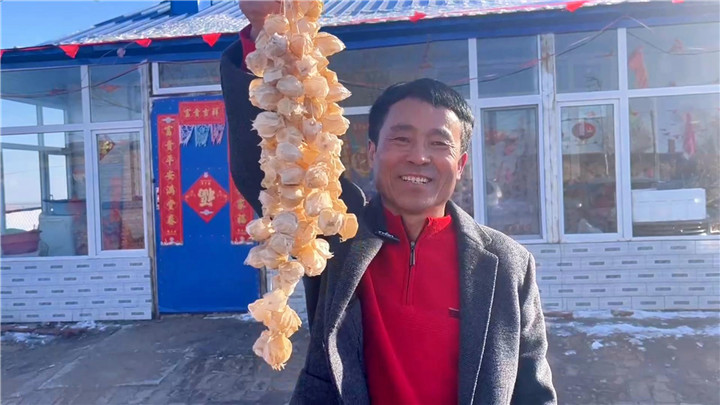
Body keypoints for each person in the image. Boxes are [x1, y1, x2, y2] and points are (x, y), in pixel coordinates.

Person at [221, 2, 557, 404]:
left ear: (461, 164)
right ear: (372, 152)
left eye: (439, 143)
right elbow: (268, 168)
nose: (419, 157)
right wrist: (265, 29)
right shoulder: (337, 230)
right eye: (401, 139)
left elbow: (532, 390)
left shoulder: (508, 263)